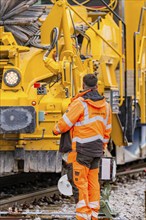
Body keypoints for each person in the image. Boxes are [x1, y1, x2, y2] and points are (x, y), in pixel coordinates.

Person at [53, 73, 112, 220]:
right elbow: (107, 130)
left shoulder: (80, 103)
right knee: (93, 183)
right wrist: (102, 146)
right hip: (97, 150)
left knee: (80, 183)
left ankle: (83, 216)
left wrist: (55, 130)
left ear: (83, 86)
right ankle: (93, 214)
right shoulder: (106, 106)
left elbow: (64, 124)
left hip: (81, 150)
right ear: (97, 86)